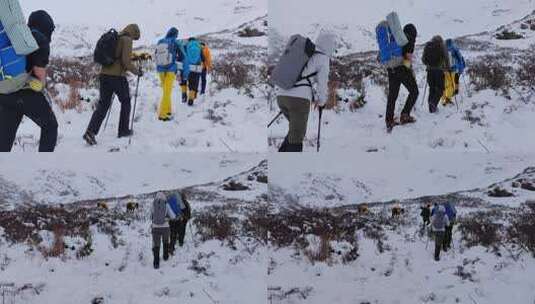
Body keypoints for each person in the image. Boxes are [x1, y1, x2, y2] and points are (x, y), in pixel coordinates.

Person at [0, 10, 58, 152]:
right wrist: (42, 83)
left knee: (5, 138)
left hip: (5, 90)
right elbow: (39, 73)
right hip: (25, 92)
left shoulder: (18, 36)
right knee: (50, 126)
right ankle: (43, 167)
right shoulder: (40, 39)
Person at [83, 24, 143, 146]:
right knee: (126, 101)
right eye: (135, 38)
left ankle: (90, 132)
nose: (134, 40)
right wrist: (137, 72)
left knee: (103, 104)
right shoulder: (127, 40)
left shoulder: (116, 37)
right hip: (117, 77)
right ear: (134, 33)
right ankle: (123, 130)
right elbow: (126, 62)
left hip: (104, 76)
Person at [277, 31, 335, 152]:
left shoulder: (306, 53)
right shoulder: (323, 58)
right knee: (297, 137)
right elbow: (322, 84)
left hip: (281, 95)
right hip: (299, 101)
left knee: (294, 133)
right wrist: (321, 102)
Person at [385, 24, 419, 133]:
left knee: (392, 95)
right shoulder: (409, 40)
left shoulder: (396, 39)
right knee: (414, 91)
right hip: (402, 70)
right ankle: (405, 115)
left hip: (391, 69)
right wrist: (410, 71)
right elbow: (407, 59)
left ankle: (389, 120)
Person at [156, 27, 185, 121]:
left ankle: (168, 110)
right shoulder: (175, 42)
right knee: (167, 92)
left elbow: (156, 54)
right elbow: (182, 56)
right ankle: (162, 115)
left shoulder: (160, 41)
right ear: (175, 35)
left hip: (160, 69)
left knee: (166, 91)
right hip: (170, 69)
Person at [422, 35, 450, 113]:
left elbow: (423, 60)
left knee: (432, 88)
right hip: (439, 70)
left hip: (430, 71)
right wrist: (448, 69)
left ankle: (431, 106)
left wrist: (428, 65)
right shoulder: (442, 45)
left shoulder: (428, 45)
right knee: (440, 88)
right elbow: (446, 58)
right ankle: (433, 103)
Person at [151, 192, 175, 269]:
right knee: (165, 241)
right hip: (165, 227)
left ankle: (156, 263)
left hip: (155, 227)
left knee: (156, 244)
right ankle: (165, 256)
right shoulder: (166, 204)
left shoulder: (153, 204)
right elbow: (172, 216)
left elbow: (150, 216)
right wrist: (167, 218)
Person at [181, 37, 203, 106]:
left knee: (184, 81)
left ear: (189, 40)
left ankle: (184, 94)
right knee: (193, 83)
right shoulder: (199, 46)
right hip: (196, 67)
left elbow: (183, 55)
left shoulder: (186, 45)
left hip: (187, 66)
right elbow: (202, 57)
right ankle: (191, 99)